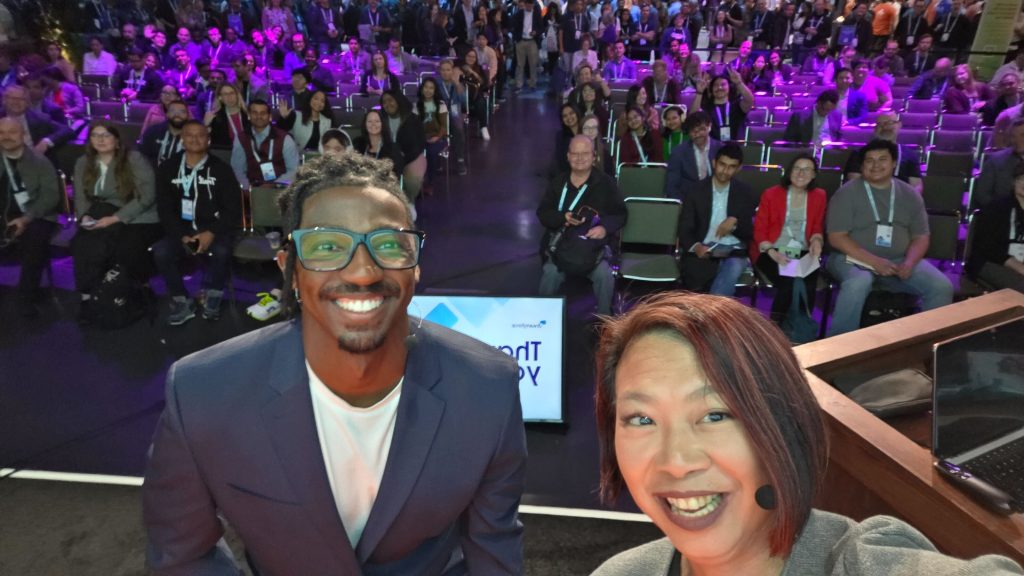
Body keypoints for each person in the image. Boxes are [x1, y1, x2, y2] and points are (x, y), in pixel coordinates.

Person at [144, 150, 527, 573]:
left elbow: (492, 551)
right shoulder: (202, 392)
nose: (362, 271)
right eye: (327, 245)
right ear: (289, 268)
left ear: (415, 268)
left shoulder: (489, 388)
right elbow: (182, 557)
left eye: (387, 244)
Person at [590, 292, 1024, 576]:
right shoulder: (620, 573)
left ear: (782, 422)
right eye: (641, 419)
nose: (676, 462)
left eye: (717, 414)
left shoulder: (857, 562)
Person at [826, 139, 953, 336]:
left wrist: (909, 263)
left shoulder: (910, 195)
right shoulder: (846, 193)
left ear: (894, 163)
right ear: (862, 165)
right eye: (869, 160)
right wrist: (874, 261)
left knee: (941, 286)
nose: (875, 165)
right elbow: (836, 238)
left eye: (882, 159)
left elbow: (921, 237)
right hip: (851, 259)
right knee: (858, 282)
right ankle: (837, 347)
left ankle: (925, 346)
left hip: (899, 260)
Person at [71, 122, 162, 324]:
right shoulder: (83, 162)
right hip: (99, 212)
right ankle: (88, 297)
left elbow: (147, 196)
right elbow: (80, 196)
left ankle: (130, 291)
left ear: (117, 139)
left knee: (115, 245)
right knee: (82, 244)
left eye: (106, 135)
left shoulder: (133, 159)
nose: (101, 140)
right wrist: (84, 216)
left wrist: (114, 218)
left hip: (136, 213)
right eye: (95, 135)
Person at [153, 121, 242, 325]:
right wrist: (181, 235)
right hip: (181, 229)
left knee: (221, 251)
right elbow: (164, 209)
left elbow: (233, 210)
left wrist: (211, 232)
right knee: (162, 252)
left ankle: (213, 295)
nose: (195, 139)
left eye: (200, 135)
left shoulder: (221, 169)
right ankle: (182, 300)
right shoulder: (168, 168)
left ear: (208, 140)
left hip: (214, 227)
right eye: (189, 135)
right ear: (182, 139)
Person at [537, 135, 626, 315]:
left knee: (605, 276)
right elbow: (543, 213)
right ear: (568, 156)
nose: (579, 158)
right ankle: (542, 318)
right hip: (562, 247)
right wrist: (563, 217)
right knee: (550, 274)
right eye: (575, 154)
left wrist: (604, 229)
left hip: (593, 249)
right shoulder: (558, 183)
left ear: (594, 156)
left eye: (585, 153)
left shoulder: (606, 184)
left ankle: (605, 321)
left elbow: (620, 214)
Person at [751, 154, 826, 323]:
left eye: (807, 170)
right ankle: (775, 330)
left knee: (808, 285)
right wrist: (772, 252)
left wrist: (816, 240)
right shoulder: (771, 194)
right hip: (772, 250)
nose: (801, 173)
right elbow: (759, 230)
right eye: (797, 168)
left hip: (802, 251)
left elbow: (817, 227)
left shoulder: (819, 195)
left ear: (814, 175)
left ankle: (800, 329)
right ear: (789, 172)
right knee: (789, 283)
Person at [678, 143, 758, 296]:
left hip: (734, 250)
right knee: (698, 275)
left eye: (731, 166)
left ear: (738, 168)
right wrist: (696, 247)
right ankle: (716, 315)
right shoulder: (695, 191)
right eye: (722, 164)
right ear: (714, 163)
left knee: (732, 267)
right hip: (704, 247)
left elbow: (749, 232)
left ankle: (712, 314)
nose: (725, 170)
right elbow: (685, 228)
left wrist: (734, 225)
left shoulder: (746, 193)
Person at [0, 117, 60, 317]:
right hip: (4, 213)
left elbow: (50, 198)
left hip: (36, 214)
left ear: (23, 135)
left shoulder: (40, 162)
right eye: (1, 132)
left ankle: (27, 297)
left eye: (12, 132)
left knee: (34, 240)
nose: (6, 137)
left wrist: (26, 218)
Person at [966, 163, 1024, 293]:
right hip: (992, 262)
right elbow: (988, 247)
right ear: (1014, 182)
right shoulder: (997, 208)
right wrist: (1018, 266)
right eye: (1021, 179)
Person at [844, 113, 923, 195]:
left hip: (900, 200)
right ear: (875, 129)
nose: (885, 127)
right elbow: (853, 182)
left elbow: (916, 186)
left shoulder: (910, 155)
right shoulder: (859, 153)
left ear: (899, 125)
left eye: (890, 123)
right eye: (880, 124)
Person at [230, 99, 299, 190]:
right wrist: (249, 190)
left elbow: (294, 170)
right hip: (251, 189)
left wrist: (275, 185)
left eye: (263, 113)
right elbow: (238, 169)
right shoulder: (241, 138)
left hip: (279, 190)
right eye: (255, 113)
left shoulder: (285, 139)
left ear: (270, 117)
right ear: (249, 116)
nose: (259, 116)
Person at [0, 85, 74, 159]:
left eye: (22, 99)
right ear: (4, 100)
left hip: (33, 162)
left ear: (27, 103)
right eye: (13, 98)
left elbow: (67, 131)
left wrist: (46, 142)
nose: (16, 102)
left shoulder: (40, 119)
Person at [381, 90, 428, 202]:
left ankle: (408, 203)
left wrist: (403, 158)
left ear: (398, 101)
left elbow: (420, 143)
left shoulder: (413, 119)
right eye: (384, 102)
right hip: (387, 157)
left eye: (390, 100)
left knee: (412, 181)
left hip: (412, 156)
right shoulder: (380, 120)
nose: (388, 104)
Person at [665, 111, 722, 200]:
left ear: (709, 127)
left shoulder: (721, 149)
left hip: (717, 199)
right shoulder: (678, 152)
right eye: (693, 131)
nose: (698, 134)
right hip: (688, 201)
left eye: (701, 129)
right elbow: (672, 186)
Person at [693, 68, 754, 142]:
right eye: (715, 85)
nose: (719, 87)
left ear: (729, 87)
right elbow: (693, 118)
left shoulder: (737, 106)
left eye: (723, 84)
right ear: (711, 90)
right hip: (713, 148)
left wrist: (739, 83)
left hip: (735, 147)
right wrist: (699, 92)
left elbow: (750, 100)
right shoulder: (707, 108)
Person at [975, 118, 1024, 210]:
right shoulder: (995, 161)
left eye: (1023, 135)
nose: (1018, 140)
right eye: (1013, 136)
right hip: (1002, 216)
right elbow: (982, 196)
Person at [435, 60, 469, 176]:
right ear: (439, 71)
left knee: (458, 129)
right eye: (443, 70)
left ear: (452, 71)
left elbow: (464, 101)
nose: (445, 72)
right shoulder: (435, 83)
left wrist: (457, 84)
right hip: (439, 112)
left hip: (454, 110)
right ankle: (436, 159)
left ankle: (460, 159)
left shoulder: (458, 84)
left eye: (448, 70)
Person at [351, 108, 404, 179]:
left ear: (383, 124)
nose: (373, 124)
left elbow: (396, 173)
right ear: (365, 124)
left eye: (377, 121)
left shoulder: (392, 148)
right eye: (369, 121)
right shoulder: (357, 144)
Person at [139, 99, 191, 168]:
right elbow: (142, 157)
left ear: (187, 116)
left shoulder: (193, 136)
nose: (177, 114)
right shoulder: (152, 132)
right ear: (167, 114)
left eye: (182, 112)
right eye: (173, 111)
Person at [203, 82, 250, 150]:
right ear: (220, 97)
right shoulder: (215, 117)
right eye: (225, 94)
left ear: (237, 95)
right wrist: (206, 125)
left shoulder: (247, 114)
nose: (229, 97)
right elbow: (205, 140)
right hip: (225, 153)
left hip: (248, 152)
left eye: (232, 93)